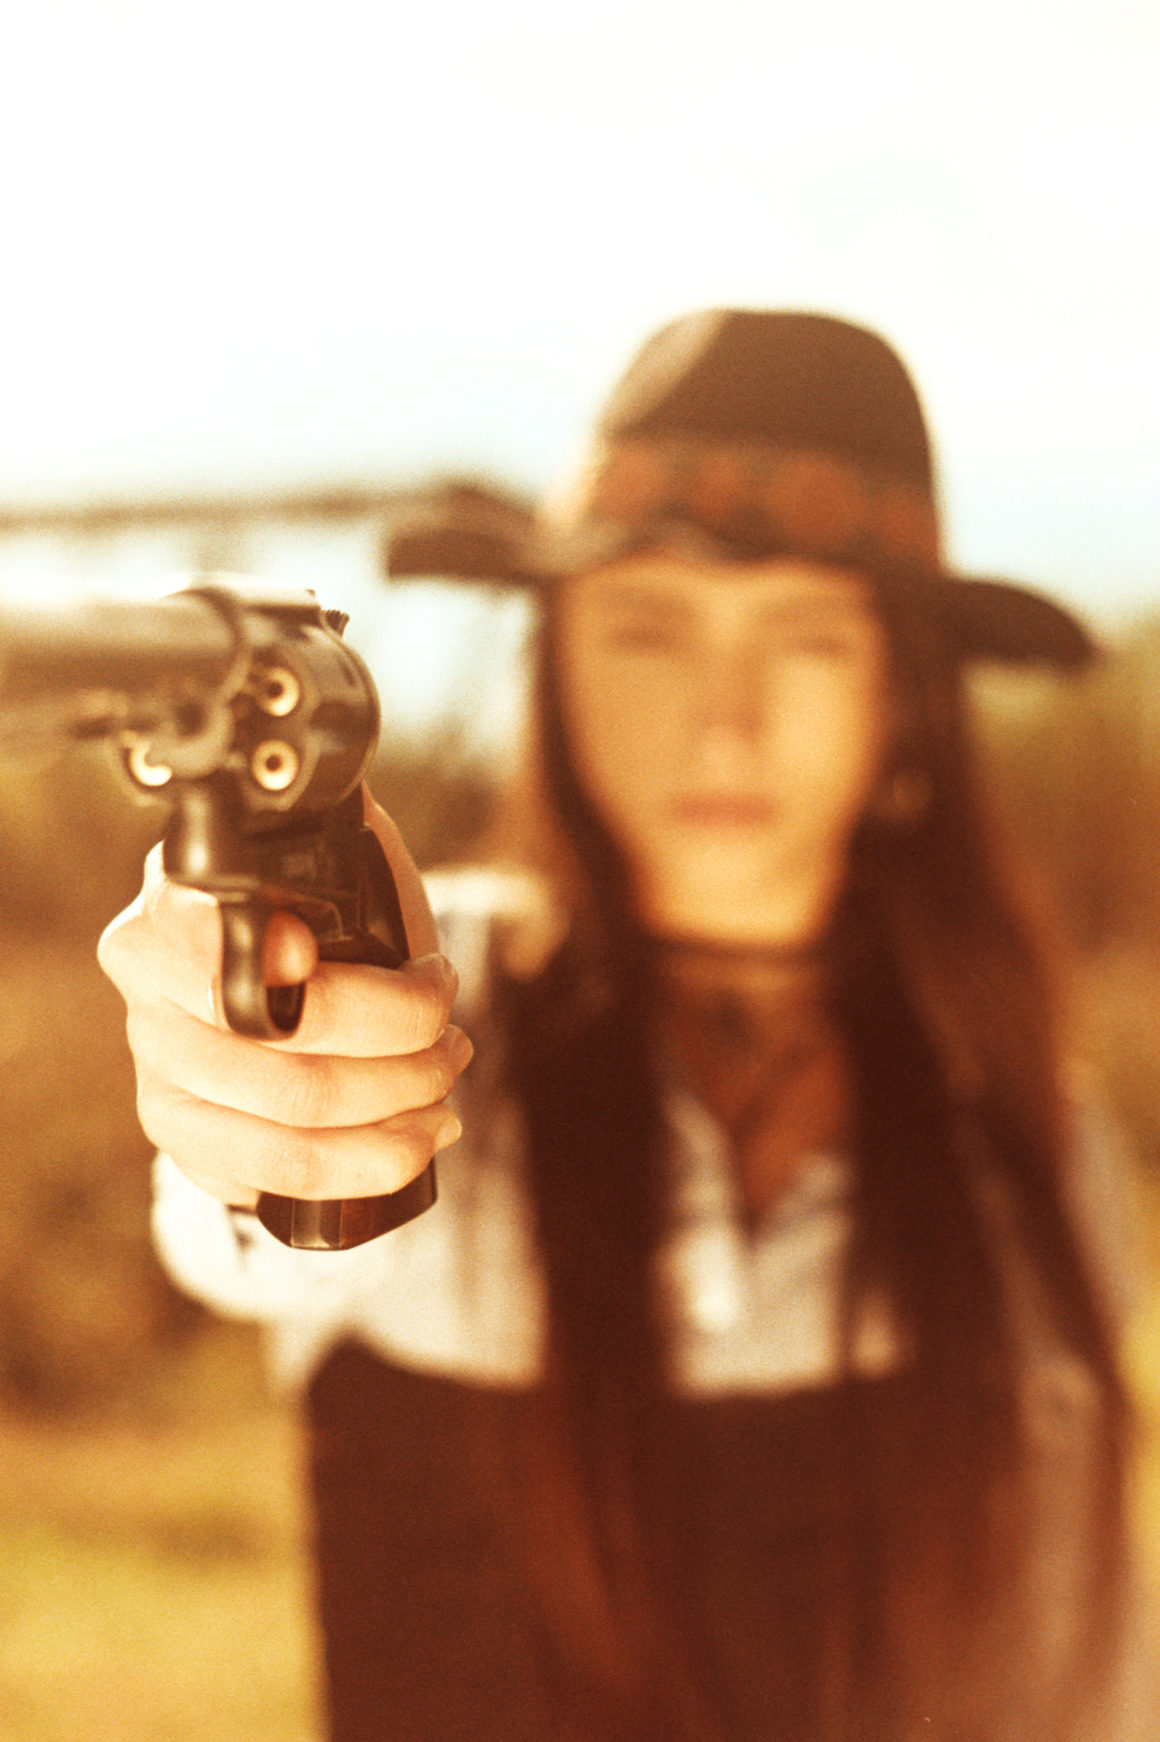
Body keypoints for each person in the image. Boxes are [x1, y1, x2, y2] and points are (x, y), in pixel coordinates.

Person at [98, 310, 1152, 1742]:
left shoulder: (1030, 1148)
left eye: (807, 638)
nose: (726, 721)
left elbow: (1087, 1672)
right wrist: (250, 1016)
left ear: (905, 699)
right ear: (559, 670)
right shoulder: (439, 1006)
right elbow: (257, 1196)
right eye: (649, 629)